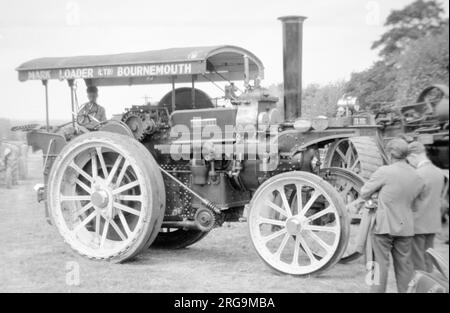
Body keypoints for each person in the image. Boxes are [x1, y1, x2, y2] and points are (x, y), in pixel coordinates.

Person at [361, 138, 424, 293]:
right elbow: (415, 205)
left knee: (377, 266)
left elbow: (364, 192)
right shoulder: (417, 177)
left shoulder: (385, 172)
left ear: (389, 154)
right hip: (406, 228)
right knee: (405, 268)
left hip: (383, 226)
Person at [407, 141, 445, 272]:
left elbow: (410, 199)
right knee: (428, 259)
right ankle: (431, 287)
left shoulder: (417, 174)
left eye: (409, 160)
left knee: (417, 262)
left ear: (413, 156)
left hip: (417, 224)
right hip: (433, 223)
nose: (410, 164)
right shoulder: (439, 172)